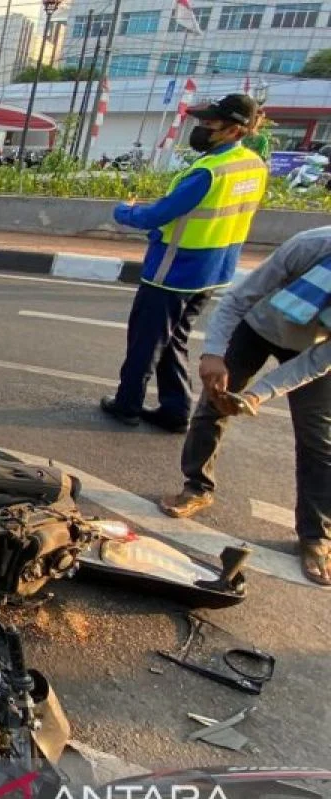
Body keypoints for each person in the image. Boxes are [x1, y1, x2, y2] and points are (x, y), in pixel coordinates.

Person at [157, 227, 330, 586]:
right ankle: (197, 487)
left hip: (314, 349)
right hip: (257, 325)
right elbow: (237, 300)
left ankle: (316, 536)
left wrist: (258, 394)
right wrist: (214, 353)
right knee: (213, 404)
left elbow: (318, 362)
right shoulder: (310, 245)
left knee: (318, 439)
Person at [101, 93, 268, 433]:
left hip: (173, 270)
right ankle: (176, 410)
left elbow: (159, 215)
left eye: (210, 124)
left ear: (235, 130)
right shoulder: (254, 165)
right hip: (213, 270)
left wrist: (124, 211)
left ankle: (127, 405)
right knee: (175, 339)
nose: (202, 129)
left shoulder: (210, 171)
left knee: (145, 342)